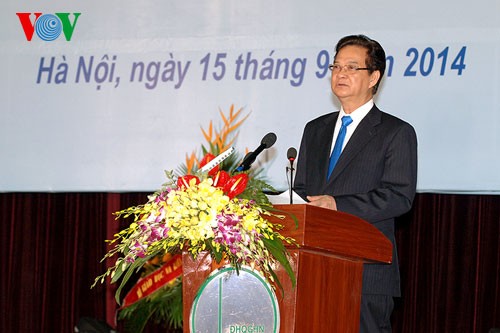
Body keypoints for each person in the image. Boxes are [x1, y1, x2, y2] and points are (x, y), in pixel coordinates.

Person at [293, 34, 417, 332]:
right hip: (314, 270)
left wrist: (337, 204)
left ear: (374, 77)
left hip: (366, 273)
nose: (340, 74)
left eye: (351, 67)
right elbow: (302, 190)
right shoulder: (316, 129)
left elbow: (399, 196)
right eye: (335, 67)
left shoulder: (395, 132)